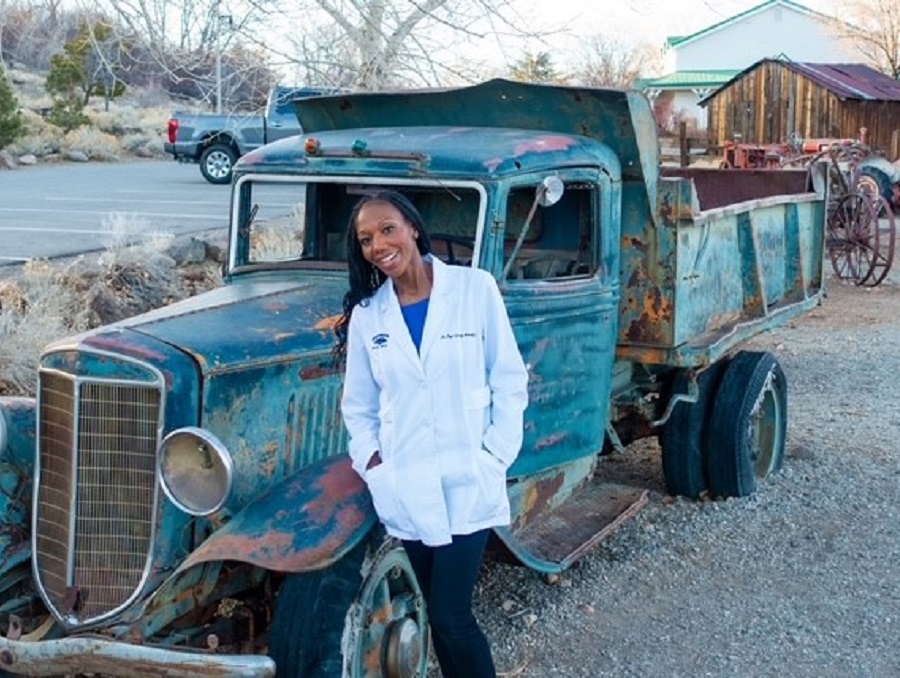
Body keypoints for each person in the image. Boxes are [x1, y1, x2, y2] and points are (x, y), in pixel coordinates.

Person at [335, 190, 529, 678]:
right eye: (366, 239)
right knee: (438, 620)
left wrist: (495, 454)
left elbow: (508, 378)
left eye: (387, 229)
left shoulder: (474, 289)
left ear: (413, 228)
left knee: (452, 615)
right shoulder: (368, 316)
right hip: (408, 482)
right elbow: (357, 408)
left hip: (468, 476)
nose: (378, 245)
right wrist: (376, 466)